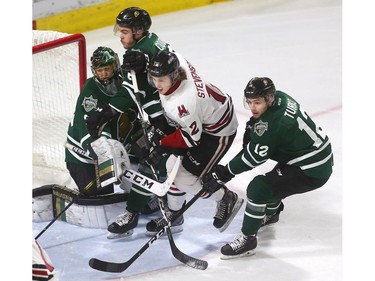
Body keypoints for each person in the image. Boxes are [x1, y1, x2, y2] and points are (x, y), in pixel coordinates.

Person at [201, 77, 334, 259]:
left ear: (269, 99)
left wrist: (224, 173)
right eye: (249, 102)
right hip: (314, 155)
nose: (253, 107)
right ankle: (271, 213)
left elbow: (253, 158)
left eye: (257, 102)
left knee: (258, 188)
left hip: (312, 169)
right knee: (275, 181)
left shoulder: (272, 124)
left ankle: (248, 240)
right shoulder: (281, 97)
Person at [85, 7, 178, 239]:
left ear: (138, 31)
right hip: (164, 117)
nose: (121, 36)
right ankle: (156, 207)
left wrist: (147, 61)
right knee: (155, 161)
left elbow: (171, 70)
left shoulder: (146, 49)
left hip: (174, 118)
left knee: (155, 161)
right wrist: (106, 112)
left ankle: (144, 213)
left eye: (124, 31)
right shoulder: (143, 46)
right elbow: (129, 89)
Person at [143, 50, 244, 235]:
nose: (157, 85)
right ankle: (174, 216)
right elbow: (167, 50)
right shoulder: (178, 63)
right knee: (171, 166)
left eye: (161, 80)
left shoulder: (182, 104)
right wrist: (144, 58)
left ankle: (225, 197)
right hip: (203, 118)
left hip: (218, 133)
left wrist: (163, 144)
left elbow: (191, 138)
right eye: (153, 78)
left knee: (185, 179)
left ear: (173, 76)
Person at [65, 46, 139, 196]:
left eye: (107, 69)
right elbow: (88, 125)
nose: (103, 74)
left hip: (112, 145)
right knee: (97, 196)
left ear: (115, 66)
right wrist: (104, 149)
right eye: (99, 70)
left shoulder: (123, 82)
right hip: (81, 157)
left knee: (110, 192)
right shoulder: (91, 90)